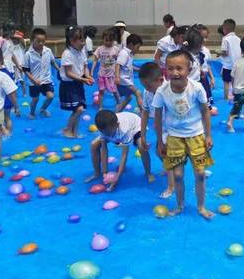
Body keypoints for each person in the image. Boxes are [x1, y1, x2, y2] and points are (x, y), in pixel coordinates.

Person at [152, 50, 214, 219]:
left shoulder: (197, 88)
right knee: (177, 176)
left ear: (189, 69)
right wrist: (160, 141)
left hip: (196, 136)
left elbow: (205, 111)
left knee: (200, 174)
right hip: (174, 137)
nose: (175, 72)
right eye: (170, 68)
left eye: (179, 68)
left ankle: (201, 207)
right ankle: (180, 205)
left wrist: (208, 135)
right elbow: (157, 116)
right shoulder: (162, 91)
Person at [85, 110, 148, 191]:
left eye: (108, 132)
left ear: (117, 125)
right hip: (116, 131)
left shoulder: (124, 130)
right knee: (94, 145)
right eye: (104, 132)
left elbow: (124, 154)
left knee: (141, 147)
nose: (107, 134)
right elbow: (104, 150)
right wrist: (105, 172)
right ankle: (97, 173)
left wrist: (118, 176)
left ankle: (148, 172)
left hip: (135, 126)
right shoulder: (104, 128)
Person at [138, 62, 173, 196]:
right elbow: (145, 112)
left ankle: (170, 187)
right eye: (143, 86)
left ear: (160, 80)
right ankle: (173, 168)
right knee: (159, 153)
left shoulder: (169, 90)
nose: (146, 88)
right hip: (160, 129)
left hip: (173, 129)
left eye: (147, 85)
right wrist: (143, 134)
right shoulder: (147, 92)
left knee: (166, 154)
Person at [60, 26, 94, 138]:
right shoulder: (67, 53)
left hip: (78, 83)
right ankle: (67, 128)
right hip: (69, 85)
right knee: (79, 109)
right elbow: (69, 73)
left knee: (79, 109)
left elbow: (85, 67)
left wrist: (88, 77)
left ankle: (75, 133)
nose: (83, 43)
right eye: (81, 40)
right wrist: (84, 79)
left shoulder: (81, 52)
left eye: (84, 40)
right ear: (72, 41)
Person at [22, 28, 59, 119]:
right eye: (38, 41)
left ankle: (42, 109)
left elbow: (53, 62)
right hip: (34, 81)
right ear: (32, 40)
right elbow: (25, 70)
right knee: (35, 99)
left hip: (46, 80)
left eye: (43, 41)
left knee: (50, 96)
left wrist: (59, 69)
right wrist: (33, 80)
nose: (41, 43)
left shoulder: (48, 51)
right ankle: (32, 113)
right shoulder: (28, 54)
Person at [92, 29, 120, 110]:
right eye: (106, 40)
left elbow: (119, 62)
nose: (108, 42)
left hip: (111, 75)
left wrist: (119, 73)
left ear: (113, 40)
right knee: (101, 91)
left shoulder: (116, 49)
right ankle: (100, 106)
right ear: (103, 39)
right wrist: (92, 71)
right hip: (101, 75)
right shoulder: (100, 49)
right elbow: (95, 60)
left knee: (114, 91)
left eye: (110, 41)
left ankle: (119, 103)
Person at [115, 34, 144, 112]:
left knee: (129, 97)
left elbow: (129, 66)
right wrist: (117, 77)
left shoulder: (129, 54)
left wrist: (139, 69)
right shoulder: (124, 53)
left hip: (126, 80)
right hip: (123, 80)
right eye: (137, 47)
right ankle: (143, 112)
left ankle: (117, 112)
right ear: (131, 45)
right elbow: (118, 65)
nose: (138, 50)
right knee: (138, 92)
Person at [219, 18, 241, 100]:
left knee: (226, 82)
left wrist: (219, 53)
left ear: (225, 29)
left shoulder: (225, 39)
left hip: (228, 65)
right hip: (236, 64)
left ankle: (226, 97)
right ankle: (236, 96)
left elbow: (225, 52)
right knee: (234, 81)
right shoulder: (238, 39)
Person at [196, 24, 216, 108]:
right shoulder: (191, 51)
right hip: (195, 79)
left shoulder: (206, 51)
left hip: (204, 78)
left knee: (207, 103)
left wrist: (211, 77)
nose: (204, 40)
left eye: (206, 37)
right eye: (202, 37)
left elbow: (207, 65)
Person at [11, 31, 27, 96]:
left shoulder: (21, 46)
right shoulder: (10, 46)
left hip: (21, 66)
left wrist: (17, 35)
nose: (14, 40)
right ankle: (14, 94)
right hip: (13, 66)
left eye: (16, 39)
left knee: (22, 81)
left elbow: (22, 40)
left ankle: (24, 93)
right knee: (13, 81)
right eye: (13, 39)